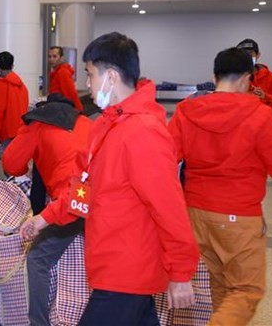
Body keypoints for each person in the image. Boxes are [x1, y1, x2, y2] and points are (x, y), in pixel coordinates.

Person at [21, 32, 200, 324]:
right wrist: (45, 218)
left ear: (112, 77)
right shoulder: (105, 127)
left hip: (127, 269)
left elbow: (168, 207)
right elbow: (84, 191)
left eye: (90, 74)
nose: (87, 85)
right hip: (112, 265)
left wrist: (181, 271)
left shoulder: (142, 132)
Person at [168, 47, 272, 325]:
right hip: (238, 216)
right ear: (247, 78)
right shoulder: (260, 114)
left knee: (220, 286)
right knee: (246, 290)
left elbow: (166, 157)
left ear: (214, 76)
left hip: (196, 213)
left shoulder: (186, 111)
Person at [2, 93, 90, 326]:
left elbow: (10, 164)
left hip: (69, 201)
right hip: (100, 199)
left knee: (38, 259)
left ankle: (39, 322)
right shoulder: (88, 122)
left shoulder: (38, 124)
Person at [0, 51, 29, 152]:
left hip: (7, 133)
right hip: (21, 129)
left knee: (8, 164)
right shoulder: (21, 85)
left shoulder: (1, 84)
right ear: (12, 65)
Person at [236, 38, 272, 108]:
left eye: (250, 53)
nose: (246, 57)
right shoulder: (231, 77)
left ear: (258, 55)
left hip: (264, 115)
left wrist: (265, 96)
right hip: (240, 116)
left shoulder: (269, 76)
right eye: (242, 54)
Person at [48, 45, 84, 112]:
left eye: (55, 56)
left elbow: (70, 94)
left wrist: (77, 111)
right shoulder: (56, 73)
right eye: (49, 56)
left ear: (61, 58)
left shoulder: (62, 72)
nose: (51, 59)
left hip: (64, 111)